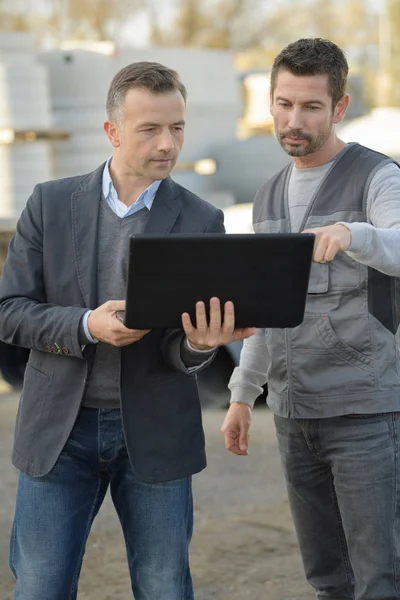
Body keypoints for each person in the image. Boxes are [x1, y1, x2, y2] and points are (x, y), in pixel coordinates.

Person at [0, 61, 255, 600]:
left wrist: (199, 345)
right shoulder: (48, 203)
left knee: (164, 587)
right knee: (40, 588)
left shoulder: (201, 220)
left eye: (177, 127)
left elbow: (182, 347)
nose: (168, 143)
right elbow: (8, 310)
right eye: (150, 129)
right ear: (113, 132)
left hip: (156, 433)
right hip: (59, 433)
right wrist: (85, 325)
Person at [221, 38, 400, 600]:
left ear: (340, 106)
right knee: (327, 579)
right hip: (294, 417)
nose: (293, 120)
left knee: (380, 579)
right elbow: (265, 309)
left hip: (367, 413)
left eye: (311, 106)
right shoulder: (268, 195)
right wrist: (241, 394)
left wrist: (355, 235)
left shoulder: (377, 177)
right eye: (284, 103)